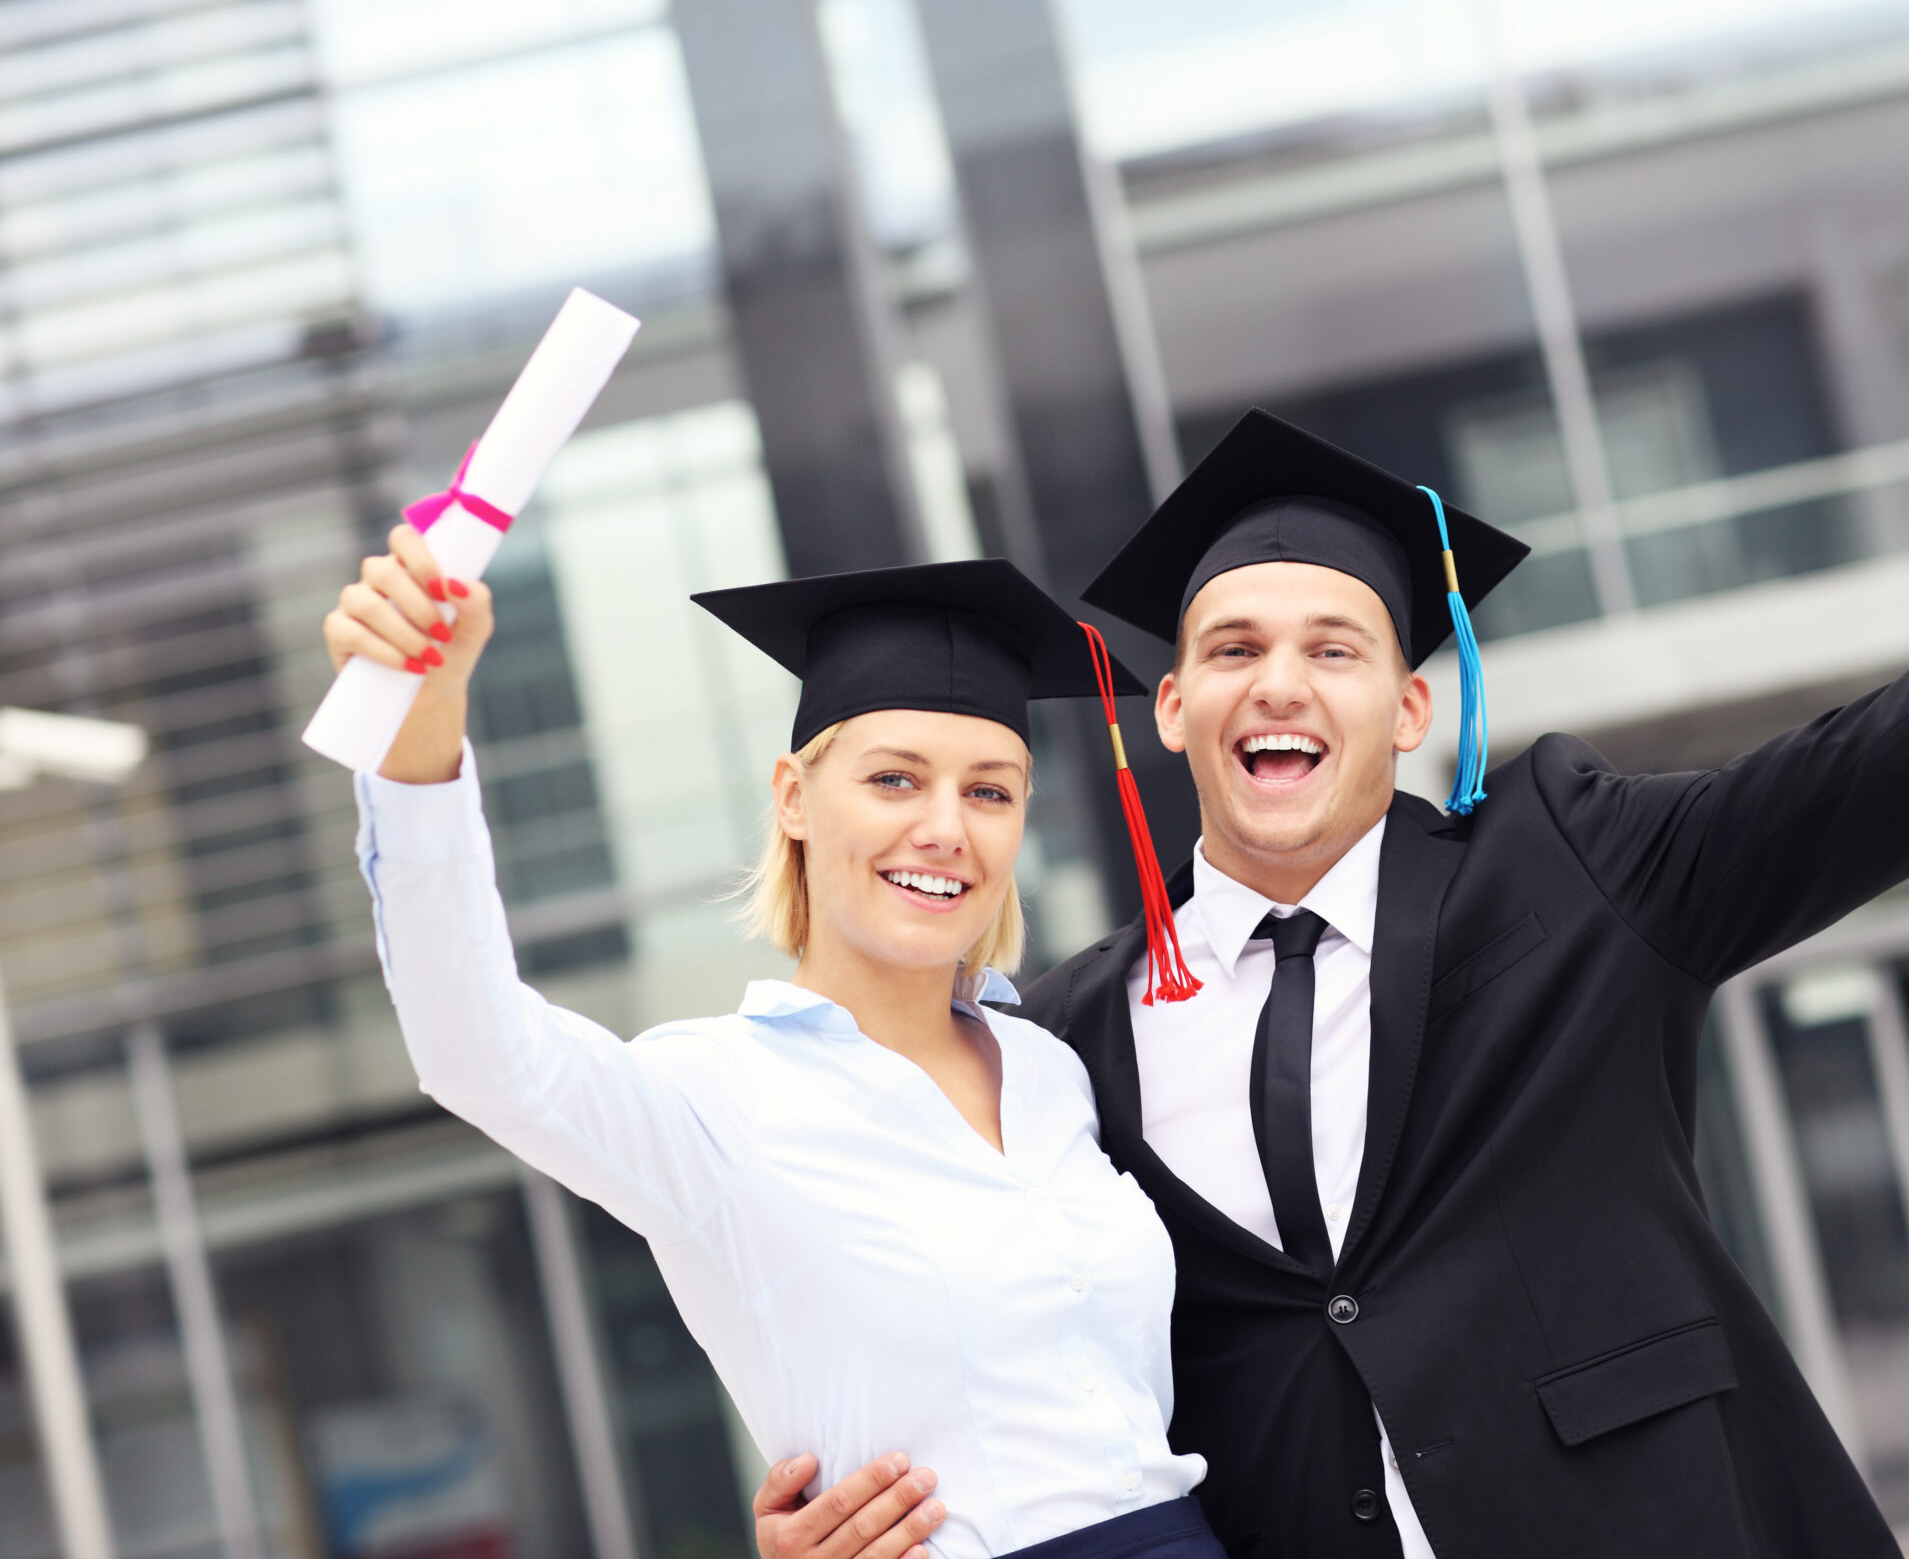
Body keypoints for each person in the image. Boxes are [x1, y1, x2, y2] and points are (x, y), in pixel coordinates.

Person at [763, 163, 1909, 1557]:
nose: (1285, 679)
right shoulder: (1061, 1047)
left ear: (1411, 703)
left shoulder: (1574, 871)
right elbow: (990, 1346)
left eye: (1337, 648)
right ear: (1174, 701)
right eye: (1240, 646)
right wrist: (819, 1523)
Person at [326, 550, 1233, 1559]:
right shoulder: (714, 1100)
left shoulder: (1055, 1071)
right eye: (894, 779)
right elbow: (475, 1051)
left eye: (991, 792)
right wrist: (421, 744)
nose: (944, 828)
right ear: (794, 798)